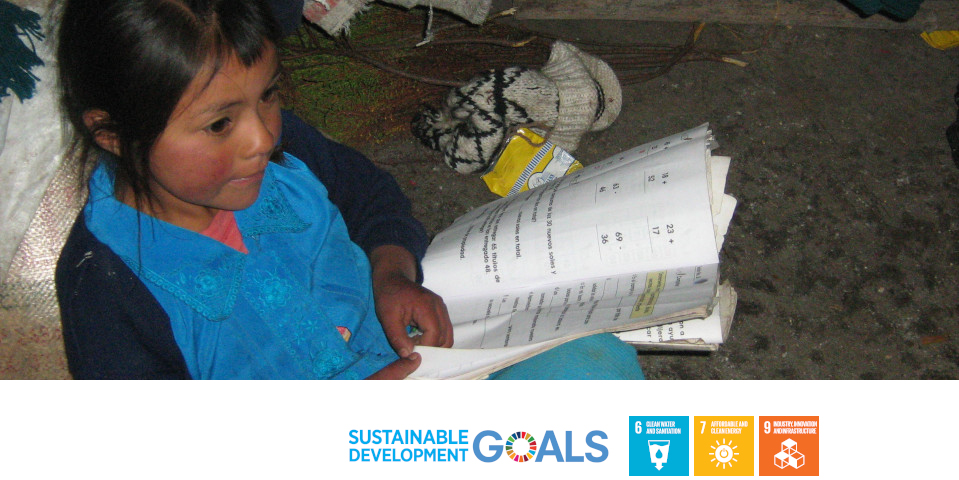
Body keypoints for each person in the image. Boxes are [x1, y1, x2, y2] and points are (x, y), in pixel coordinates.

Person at [55, 0, 644, 380]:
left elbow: (370, 197)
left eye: (269, 95)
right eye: (218, 124)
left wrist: (390, 273)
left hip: (417, 375)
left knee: (598, 366)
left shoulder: (286, 153)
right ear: (111, 133)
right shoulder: (106, 287)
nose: (263, 137)